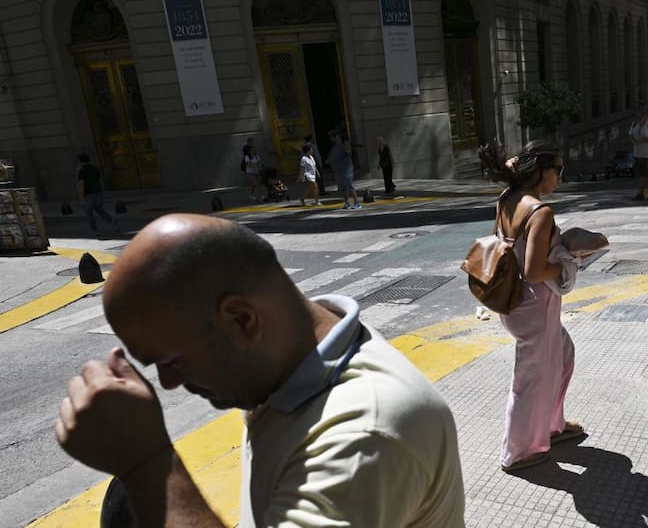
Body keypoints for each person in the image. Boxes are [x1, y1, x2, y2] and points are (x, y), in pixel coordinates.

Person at [54, 214, 466, 527]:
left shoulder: (367, 433)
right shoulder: (297, 361)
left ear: (241, 320)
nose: (168, 383)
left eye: (172, 361)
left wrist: (145, 463)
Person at [478, 139, 584, 472]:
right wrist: (571, 262)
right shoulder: (540, 212)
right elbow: (537, 270)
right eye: (558, 170)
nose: (561, 178)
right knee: (529, 381)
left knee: (563, 356)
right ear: (541, 171)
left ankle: (552, 425)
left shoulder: (506, 199)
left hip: (516, 303)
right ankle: (518, 452)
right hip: (534, 308)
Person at [76, 154, 119, 237]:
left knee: (89, 213)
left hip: (88, 194)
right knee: (99, 209)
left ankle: (94, 231)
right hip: (98, 192)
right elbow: (99, 180)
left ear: (80, 161)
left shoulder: (81, 170)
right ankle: (112, 220)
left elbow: (81, 184)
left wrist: (81, 198)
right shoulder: (95, 168)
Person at [328, 130, 360, 209]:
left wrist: (340, 145)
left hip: (346, 169)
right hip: (338, 170)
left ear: (338, 137)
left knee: (349, 186)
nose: (331, 139)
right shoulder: (334, 145)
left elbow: (348, 152)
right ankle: (347, 203)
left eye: (332, 137)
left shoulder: (344, 143)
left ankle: (357, 203)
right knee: (343, 188)